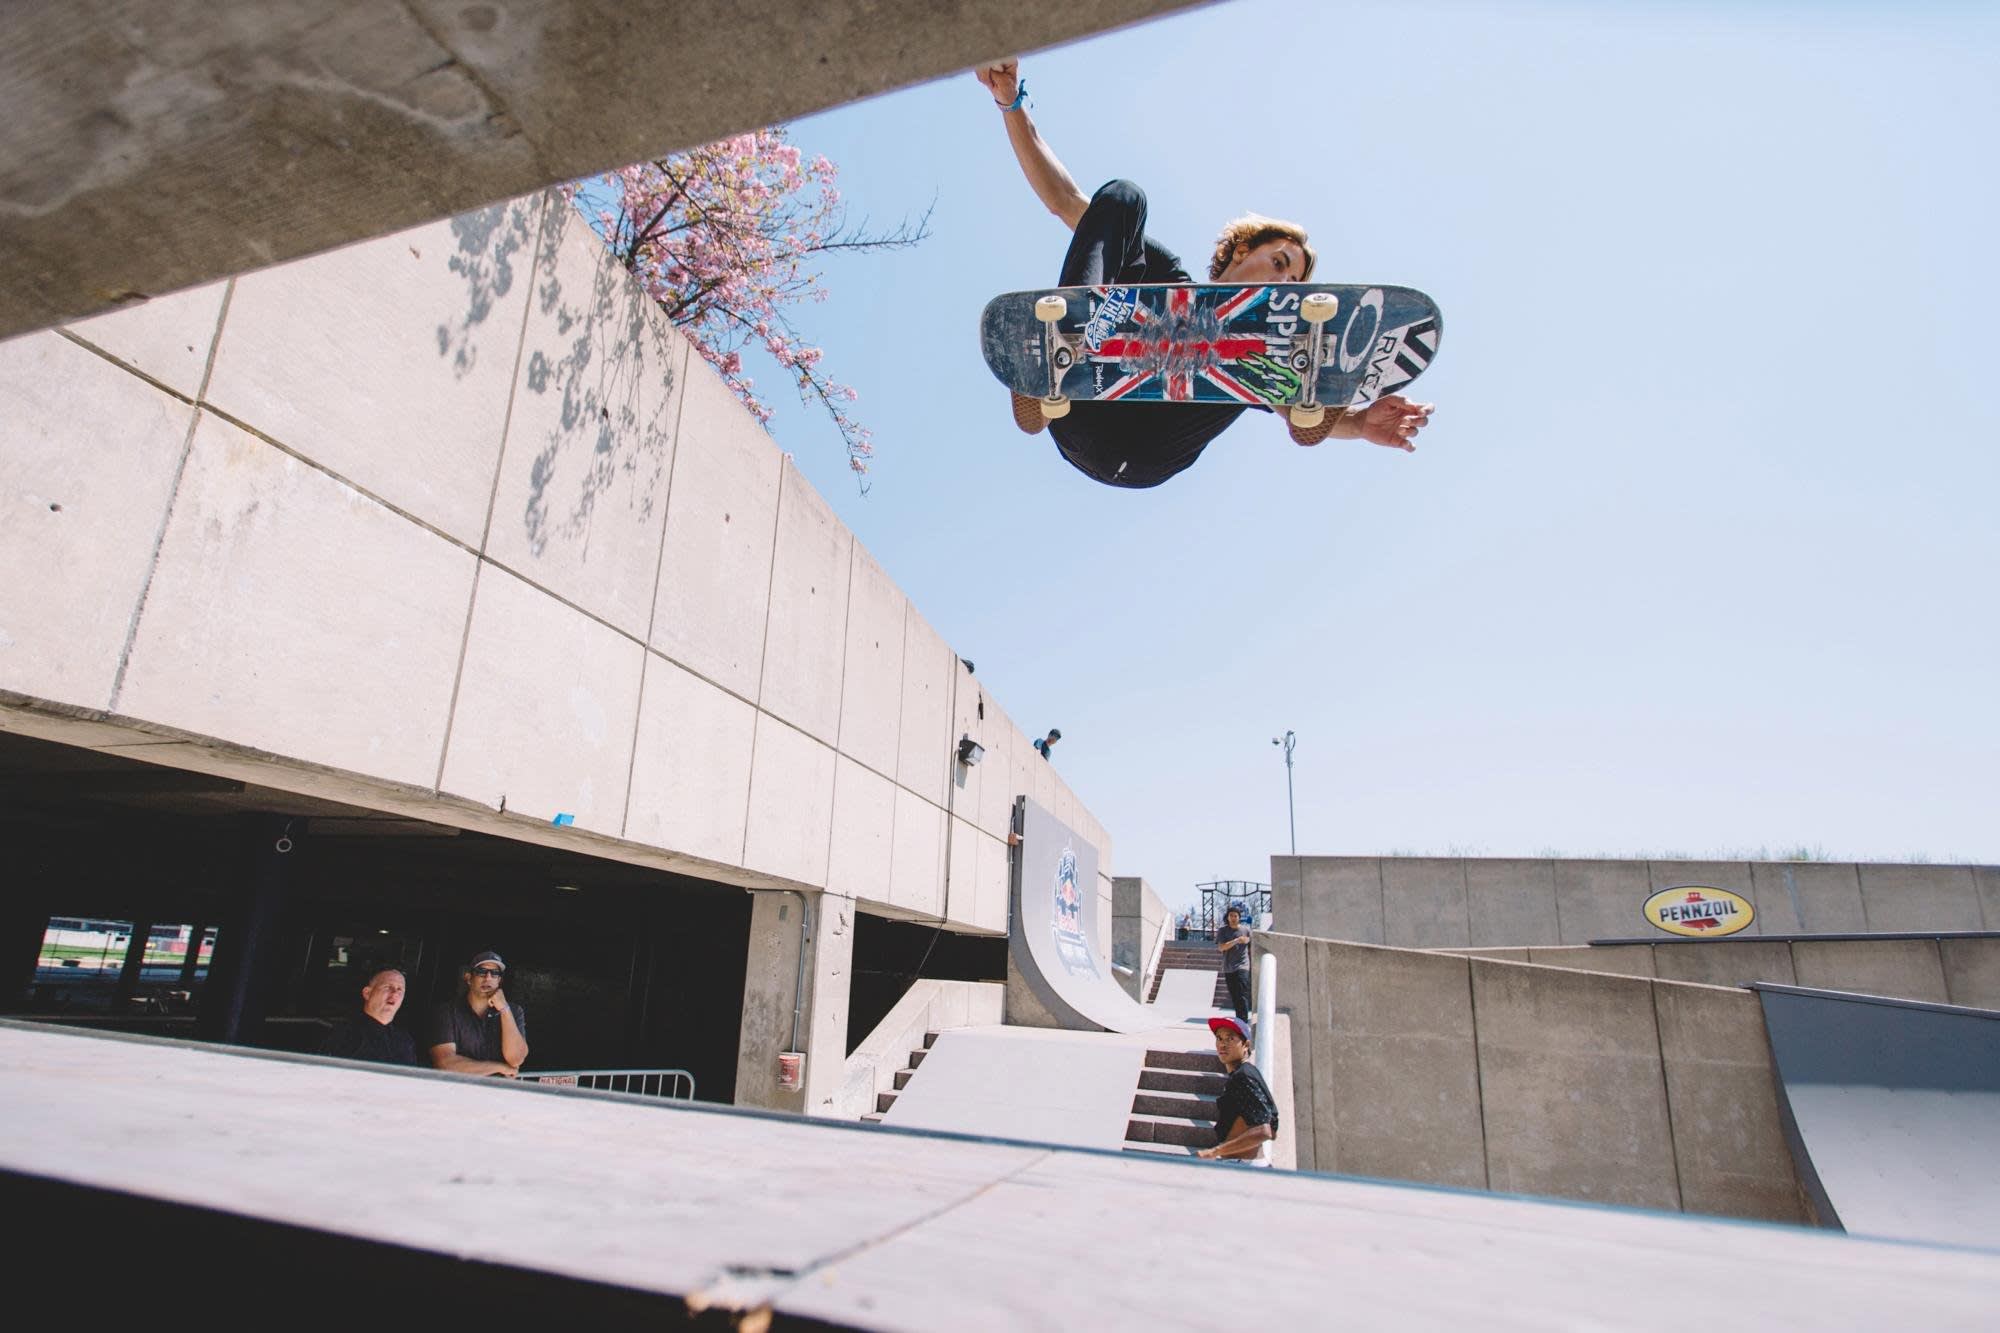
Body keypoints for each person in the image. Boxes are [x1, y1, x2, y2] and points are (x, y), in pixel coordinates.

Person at [976, 58, 1435, 490]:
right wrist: (1009, 101)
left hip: (1155, 455)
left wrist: (1358, 424)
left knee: (1265, 357)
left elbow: (1281, 406)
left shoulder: (1266, 341)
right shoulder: (1161, 272)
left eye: (1294, 285)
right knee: (1123, 197)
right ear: (1240, 250)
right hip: (1084, 417)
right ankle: (1063, 349)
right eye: (1279, 264)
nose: (1282, 285)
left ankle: (1319, 383)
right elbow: (1065, 200)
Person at [428, 950, 529, 1077]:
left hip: (498, 1093)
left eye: (494, 973)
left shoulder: (514, 1011)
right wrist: (500, 1068)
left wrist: (504, 1009)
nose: (488, 977)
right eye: (481, 972)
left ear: (499, 981)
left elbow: (516, 1059)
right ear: (469, 978)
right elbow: (445, 1064)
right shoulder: (447, 1012)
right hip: (458, 1091)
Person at [1196, 1014, 1279, 1162]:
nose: (1222, 1044)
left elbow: (1265, 1131)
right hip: (1242, 1165)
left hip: (1244, 1168)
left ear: (1246, 1045)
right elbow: (1272, 1125)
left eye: (1230, 1039)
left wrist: (1215, 1152)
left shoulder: (1244, 1076)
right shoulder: (1245, 1073)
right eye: (1219, 1038)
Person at [318, 965, 420, 1067]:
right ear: (367, 993)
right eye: (388, 987)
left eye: (400, 989)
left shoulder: (404, 1040)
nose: (395, 994)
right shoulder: (343, 1035)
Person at [1214, 904, 1253, 1024]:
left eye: (1236, 916)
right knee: (1235, 996)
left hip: (1243, 966)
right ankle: (1239, 1020)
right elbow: (1221, 947)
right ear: (1228, 917)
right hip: (1228, 968)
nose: (1233, 918)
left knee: (1242, 994)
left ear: (1239, 917)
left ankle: (1243, 1022)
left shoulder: (1246, 930)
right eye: (1231, 915)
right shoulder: (1223, 931)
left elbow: (1252, 947)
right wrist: (1236, 940)